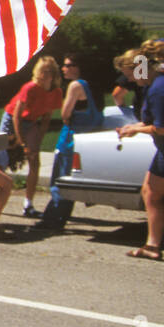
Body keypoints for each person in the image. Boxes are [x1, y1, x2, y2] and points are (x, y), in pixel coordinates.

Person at [116, 40, 164, 260]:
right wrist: (133, 127)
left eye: (129, 74)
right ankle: (152, 247)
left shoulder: (161, 90)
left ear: (140, 68)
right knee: (150, 192)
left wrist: (138, 131)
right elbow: (154, 122)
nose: (128, 79)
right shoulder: (154, 86)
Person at [35, 54, 104, 230]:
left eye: (67, 65)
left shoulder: (75, 86)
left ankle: (53, 218)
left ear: (77, 67)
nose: (63, 69)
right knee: (71, 180)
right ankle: (61, 216)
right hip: (86, 139)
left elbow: (65, 114)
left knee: (59, 179)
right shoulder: (93, 86)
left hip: (70, 139)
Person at [0, 56, 63, 218]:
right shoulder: (30, 88)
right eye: (43, 71)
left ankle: (28, 204)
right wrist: (20, 142)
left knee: (35, 161)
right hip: (12, 120)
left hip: (31, 122)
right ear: (37, 73)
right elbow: (16, 116)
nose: (46, 75)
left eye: (49, 71)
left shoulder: (56, 92)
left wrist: (38, 140)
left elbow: (47, 118)